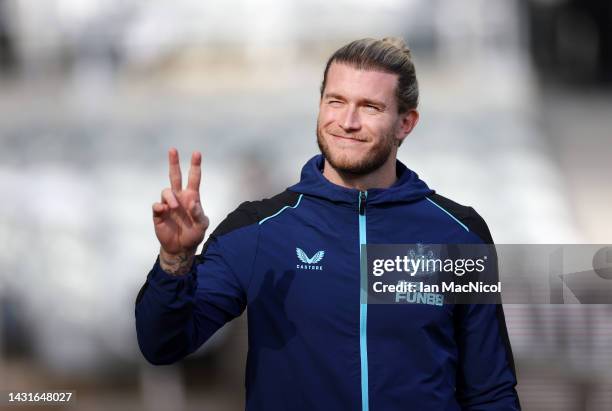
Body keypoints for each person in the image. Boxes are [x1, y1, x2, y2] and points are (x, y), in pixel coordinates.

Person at [135, 37, 521, 410]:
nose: (347, 121)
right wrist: (175, 261)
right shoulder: (258, 229)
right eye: (336, 101)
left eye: (370, 106)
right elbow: (162, 345)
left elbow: (490, 389)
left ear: (406, 123)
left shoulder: (459, 232)